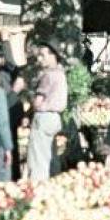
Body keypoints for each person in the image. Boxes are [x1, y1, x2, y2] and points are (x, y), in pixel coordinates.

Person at [28, 42, 69, 181]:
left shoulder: (48, 75)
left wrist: (31, 100)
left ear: (53, 55)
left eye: (42, 55)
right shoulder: (61, 73)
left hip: (44, 117)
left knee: (38, 161)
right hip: (56, 118)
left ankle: (37, 189)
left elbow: (38, 101)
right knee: (50, 157)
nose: (40, 59)